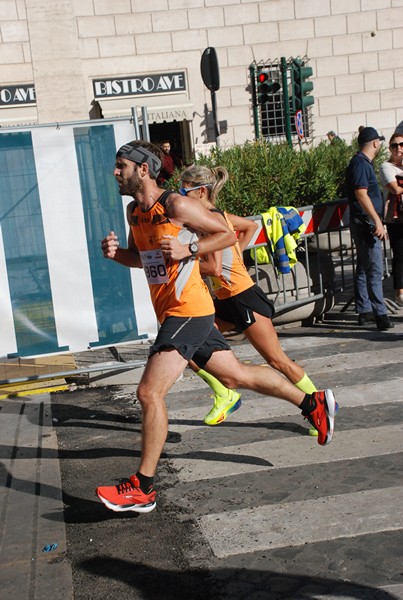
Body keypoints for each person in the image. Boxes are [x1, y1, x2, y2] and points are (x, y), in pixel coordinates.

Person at [96, 139, 336, 514]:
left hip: (188, 311)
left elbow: (226, 234)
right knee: (237, 376)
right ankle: (312, 402)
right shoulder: (134, 213)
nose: (115, 172)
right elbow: (144, 260)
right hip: (176, 312)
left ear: (144, 169)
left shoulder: (176, 204)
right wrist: (116, 255)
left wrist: (191, 250)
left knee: (148, 393)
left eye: (121, 165)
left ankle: (142, 487)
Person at [179, 165, 320, 437]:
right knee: (188, 343)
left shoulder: (209, 217)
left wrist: (180, 263)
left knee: (278, 361)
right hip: (225, 299)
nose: (181, 196)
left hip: (242, 297)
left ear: (201, 191)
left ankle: (319, 405)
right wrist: (234, 253)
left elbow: (215, 269)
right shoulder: (212, 217)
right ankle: (224, 393)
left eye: (185, 191)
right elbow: (249, 226)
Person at [345, 126, 394, 331]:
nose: (380, 144)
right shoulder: (361, 164)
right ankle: (380, 314)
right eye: (379, 142)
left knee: (364, 268)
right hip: (366, 224)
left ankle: (364, 311)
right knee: (374, 269)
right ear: (375, 143)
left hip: (363, 222)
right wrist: (377, 221)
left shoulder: (359, 163)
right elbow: (362, 194)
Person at [379, 132, 403, 306]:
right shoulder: (386, 167)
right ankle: (400, 293)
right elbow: (395, 189)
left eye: (402, 145)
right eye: (394, 146)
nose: (398, 149)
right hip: (397, 218)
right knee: (400, 255)